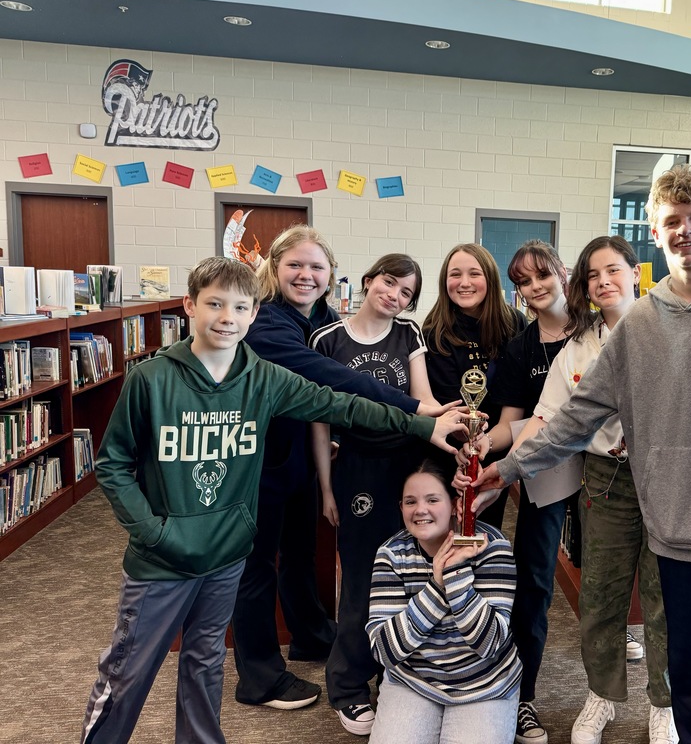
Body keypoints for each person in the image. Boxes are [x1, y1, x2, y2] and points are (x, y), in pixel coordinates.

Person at [473, 165, 691, 744]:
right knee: (686, 677)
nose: (685, 231)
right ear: (655, 237)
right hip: (676, 539)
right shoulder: (638, 324)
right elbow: (576, 418)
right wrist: (508, 469)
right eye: (672, 223)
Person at [80, 257, 468, 744]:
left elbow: (341, 403)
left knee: (204, 668)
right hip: (162, 559)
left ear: (254, 314)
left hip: (227, 554)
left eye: (240, 307)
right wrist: (152, 532)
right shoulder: (151, 379)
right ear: (189, 306)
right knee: (128, 673)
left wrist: (423, 424)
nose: (227, 317)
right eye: (214, 304)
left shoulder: (264, 379)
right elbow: (112, 464)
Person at [232, 225, 452, 713]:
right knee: (257, 565)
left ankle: (310, 635)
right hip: (259, 462)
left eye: (317, 267)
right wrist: (412, 408)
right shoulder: (267, 321)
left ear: (332, 275)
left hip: (301, 461)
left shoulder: (322, 318)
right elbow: (332, 379)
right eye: (295, 265)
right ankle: (259, 675)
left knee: (300, 554)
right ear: (273, 267)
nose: (306, 275)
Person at [468, 236, 675, 744]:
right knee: (599, 595)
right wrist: (506, 466)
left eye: (613, 271)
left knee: (664, 595)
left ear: (635, 273)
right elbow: (546, 418)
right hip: (604, 480)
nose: (603, 282)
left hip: (666, 479)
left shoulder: (666, 330)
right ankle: (601, 696)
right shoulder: (577, 346)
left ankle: (664, 703)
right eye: (594, 276)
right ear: (581, 284)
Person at [309, 253, 440, 735]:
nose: (395, 296)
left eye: (406, 292)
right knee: (361, 580)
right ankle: (347, 685)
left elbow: (421, 399)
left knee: (409, 573)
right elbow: (318, 417)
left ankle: (397, 677)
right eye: (389, 283)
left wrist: (448, 419)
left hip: (405, 467)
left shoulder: (409, 333)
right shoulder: (328, 338)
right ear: (367, 281)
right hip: (356, 467)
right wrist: (326, 485)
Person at [454, 240, 572, 744]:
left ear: (563, 272)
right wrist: (486, 447)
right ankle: (521, 697)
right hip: (548, 469)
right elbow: (512, 422)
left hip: (610, 472)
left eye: (541, 274)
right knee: (534, 581)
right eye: (523, 281)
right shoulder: (523, 347)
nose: (534, 287)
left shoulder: (598, 329)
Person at [365, 460, 522, 744]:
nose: (420, 510)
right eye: (410, 501)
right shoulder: (390, 554)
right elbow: (384, 650)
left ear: (453, 504)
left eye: (432, 499)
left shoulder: (492, 546)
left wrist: (455, 573)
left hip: (484, 684)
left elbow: (488, 643)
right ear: (400, 508)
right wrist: (437, 585)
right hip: (414, 681)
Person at [422, 243, 526, 527]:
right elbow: (444, 401)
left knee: (485, 526)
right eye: (455, 274)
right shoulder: (434, 330)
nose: (464, 283)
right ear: (445, 282)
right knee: (445, 526)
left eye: (474, 274)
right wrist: (465, 448)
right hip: (451, 450)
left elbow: (517, 394)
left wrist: (487, 446)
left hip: (497, 446)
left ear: (489, 279)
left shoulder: (514, 323)